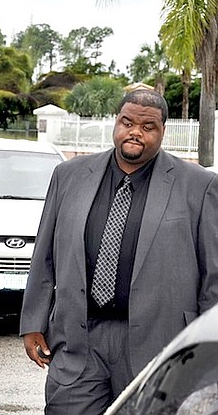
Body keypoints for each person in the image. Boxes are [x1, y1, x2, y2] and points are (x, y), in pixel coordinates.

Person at [20, 88, 218, 414]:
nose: (135, 132)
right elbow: (45, 255)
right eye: (127, 122)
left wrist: (205, 348)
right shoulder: (69, 176)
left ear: (162, 131)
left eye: (147, 126)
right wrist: (33, 321)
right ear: (117, 123)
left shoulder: (197, 185)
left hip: (159, 342)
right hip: (80, 337)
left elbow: (213, 275)